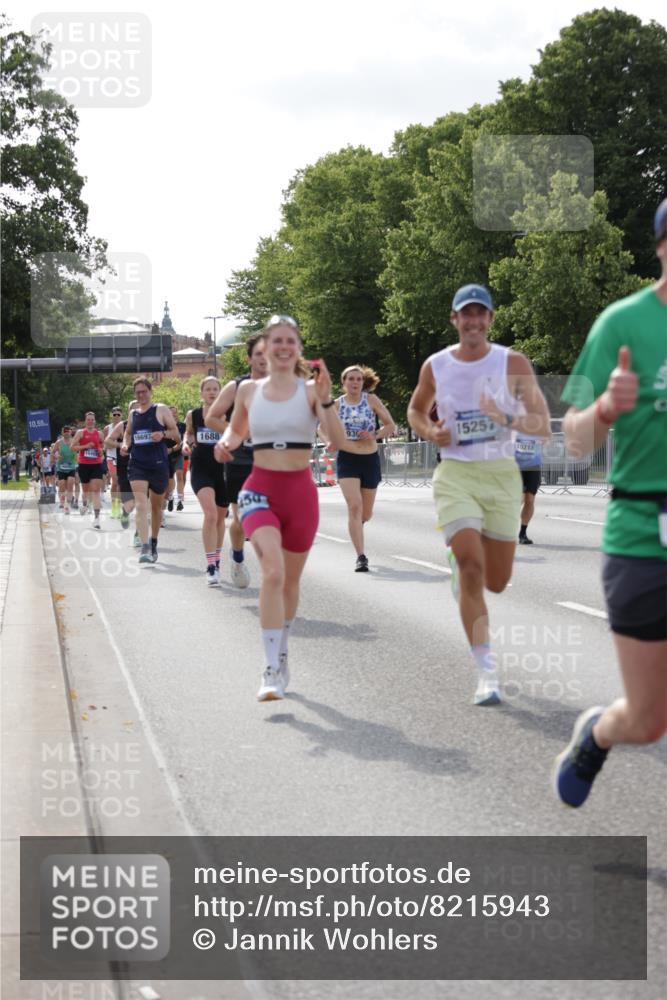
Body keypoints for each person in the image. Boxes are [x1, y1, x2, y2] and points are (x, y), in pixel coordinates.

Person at [553, 199, 667, 808]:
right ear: (659, 246)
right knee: (650, 721)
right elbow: (572, 437)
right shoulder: (620, 324)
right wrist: (603, 410)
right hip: (643, 529)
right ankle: (597, 735)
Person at [407, 283, 551, 706]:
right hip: (456, 475)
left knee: (498, 581)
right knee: (471, 570)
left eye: (480, 313)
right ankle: (486, 671)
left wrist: (504, 416)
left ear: (490, 319)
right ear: (454, 319)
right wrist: (431, 431)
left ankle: (464, 556)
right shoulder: (436, 365)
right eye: (465, 314)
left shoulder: (512, 362)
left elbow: (542, 424)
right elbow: (415, 410)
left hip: (502, 476)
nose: (473, 320)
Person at [215, 315, 346, 701]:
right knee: (272, 571)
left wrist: (325, 399)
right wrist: (225, 443)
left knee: (290, 581)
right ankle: (270, 667)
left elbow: (336, 441)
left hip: (300, 492)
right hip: (259, 488)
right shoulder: (248, 392)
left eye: (291, 340)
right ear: (265, 349)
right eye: (277, 341)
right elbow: (235, 430)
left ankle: (283, 649)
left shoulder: (310, 391)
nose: (284, 346)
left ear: (298, 349)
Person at [205, 332, 268, 588]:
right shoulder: (236, 387)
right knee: (243, 522)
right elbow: (211, 417)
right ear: (249, 358)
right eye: (259, 354)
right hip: (241, 461)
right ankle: (238, 558)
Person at [333, 364, 396, 571]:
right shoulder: (337, 405)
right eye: (350, 379)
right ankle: (361, 556)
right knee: (354, 506)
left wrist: (374, 434)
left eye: (358, 379)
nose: (355, 382)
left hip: (369, 457)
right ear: (343, 383)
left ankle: (357, 526)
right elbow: (321, 427)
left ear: (363, 382)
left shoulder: (371, 400)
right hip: (347, 458)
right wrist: (329, 441)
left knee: (365, 514)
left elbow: (390, 426)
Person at [121, 377, 180, 564]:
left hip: (158, 464)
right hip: (138, 463)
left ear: (150, 392)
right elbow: (128, 433)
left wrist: (162, 434)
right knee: (141, 504)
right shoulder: (133, 414)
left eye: (144, 391)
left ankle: (153, 542)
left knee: (155, 508)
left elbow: (177, 436)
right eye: (137, 392)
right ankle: (145, 547)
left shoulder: (160, 410)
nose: (141, 395)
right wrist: (124, 444)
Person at [183, 377, 228, 585]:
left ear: (220, 392)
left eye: (215, 389)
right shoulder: (193, 415)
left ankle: (217, 560)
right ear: (201, 393)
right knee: (210, 514)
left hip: (224, 468)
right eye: (208, 389)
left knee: (220, 518)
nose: (212, 392)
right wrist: (186, 443)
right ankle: (210, 565)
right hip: (201, 467)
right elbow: (189, 434)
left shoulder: (228, 414)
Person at [104, 402, 139, 534]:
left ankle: (139, 534)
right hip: (124, 466)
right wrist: (120, 445)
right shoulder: (122, 425)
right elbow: (107, 441)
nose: (137, 412)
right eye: (133, 410)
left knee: (142, 500)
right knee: (129, 500)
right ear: (129, 412)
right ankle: (124, 512)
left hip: (143, 466)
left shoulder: (149, 423)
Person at [70, 413, 105, 527]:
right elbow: (72, 447)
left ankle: (97, 519)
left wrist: (100, 450)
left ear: (95, 421)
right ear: (85, 421)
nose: (90, 421)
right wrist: (85, 447)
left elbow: (102, 446)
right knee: (86, 491)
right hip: (84, 464)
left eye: (92, 420)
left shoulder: (99, 434)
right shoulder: (81, 433)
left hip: (96, 464)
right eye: (88, 420)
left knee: (95, 491)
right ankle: (85, 505)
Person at [514, 433, 543, 544]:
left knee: (529, 500)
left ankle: (523, 534)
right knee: (517, 500)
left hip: (533, 467)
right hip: (516, 467)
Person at [103, 406, 123, 518]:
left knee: (120, 483)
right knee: (115, 482)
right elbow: (106, 444)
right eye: (114, 414)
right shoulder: (107, 428)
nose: (116, 416)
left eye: (118, 414)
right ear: (111, 415)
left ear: (121, 415)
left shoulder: (124, 426)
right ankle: (114, 508)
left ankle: (118, 508)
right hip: (111, 457)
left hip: (122, 458)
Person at [166, 406, 187, 512]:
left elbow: (184, 440)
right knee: (169, 480)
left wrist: (174, 449)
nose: (173, 414)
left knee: (180, 475)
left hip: (178, 454)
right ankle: (170, 498)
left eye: (175, 413)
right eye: (171, 413)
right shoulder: (163, 426)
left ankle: (180, 501)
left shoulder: (182, 426)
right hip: (167, 455)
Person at [52, 427, 77, 513]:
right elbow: (53, 451)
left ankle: (67, 506)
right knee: (62, 486)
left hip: (71, 467)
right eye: (65, 432)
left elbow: (79, 450)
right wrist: (56, 455)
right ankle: (62, 499)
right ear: (62, 433)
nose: (67, 433)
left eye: (68, 431)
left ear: (70, 432)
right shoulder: (59, 442)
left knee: (70, 484)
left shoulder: (74, 441)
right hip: (61, 467)